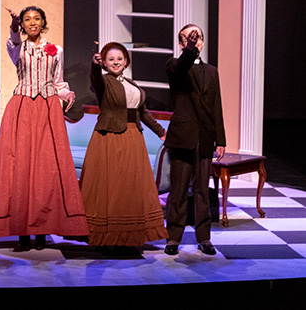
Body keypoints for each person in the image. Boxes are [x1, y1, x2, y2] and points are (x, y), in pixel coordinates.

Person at [0, 5, 88, 251]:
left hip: (48, 108)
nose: (32, 23)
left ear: (43, 22)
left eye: (36, 19)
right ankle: (22, 233)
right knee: (21, 166)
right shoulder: (17, 47)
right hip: (22, 108)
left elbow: (58, 80)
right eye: (27, 20)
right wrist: (13, 25)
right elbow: (11, 40)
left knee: (46, 168)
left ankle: (42, 230)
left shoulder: (56, 49)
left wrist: (66, 94)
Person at [79, 42, 168, 248]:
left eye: (119, 59)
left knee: (130, 187)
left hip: (133, 137)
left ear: (126, 61)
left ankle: (130, 235)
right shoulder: (103, 82)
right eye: (110, 59)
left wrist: (161, 132)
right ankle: (110, 236)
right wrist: (94, 64)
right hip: (110, 137)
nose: (116, 62)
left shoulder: (132, 84)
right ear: (105, 63)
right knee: (113, 187)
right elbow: (94, 79)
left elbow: (143, 113)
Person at [163, 24, 225, 256]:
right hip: (182, 136)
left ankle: (204, 237)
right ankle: (173, 237)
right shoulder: (174, 65)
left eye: (198, 38)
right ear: (181, 43)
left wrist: (220, 138)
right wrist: (189, 50)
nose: (195, 41)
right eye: (189, 38)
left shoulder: (212, 71)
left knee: (202, 189)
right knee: (178, 190)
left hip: (205, 137)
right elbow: (181, 67)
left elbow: (216, 106)